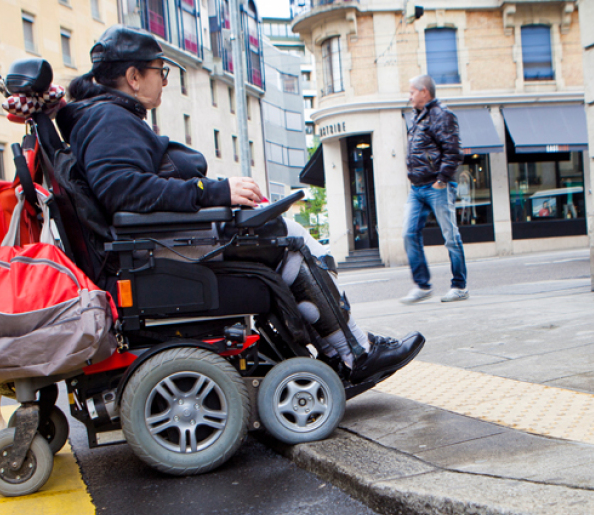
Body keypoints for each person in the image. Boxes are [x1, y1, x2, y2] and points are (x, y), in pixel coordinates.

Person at [58, 26, 422, 384]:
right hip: (151, 250)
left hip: (151, 243)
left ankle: (346, 347)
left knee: (279, 231)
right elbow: (123, 192)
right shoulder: (109, 120)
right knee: (289, 237)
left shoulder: (104, 116)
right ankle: (354, 353)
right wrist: (214, 193)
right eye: (160, 71)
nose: (165, 81)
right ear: (134, 76)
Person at [400, 74, 468, 304]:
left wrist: (441, 179)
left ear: (424, 92)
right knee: (409, 233)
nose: (409, 96)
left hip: (436, 186)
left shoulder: (442, 115)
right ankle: (422, 285)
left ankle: (459, 286)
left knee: (450, 236)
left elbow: (454, 151)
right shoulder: (417, 116)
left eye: (412, 92)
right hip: (417, 188)